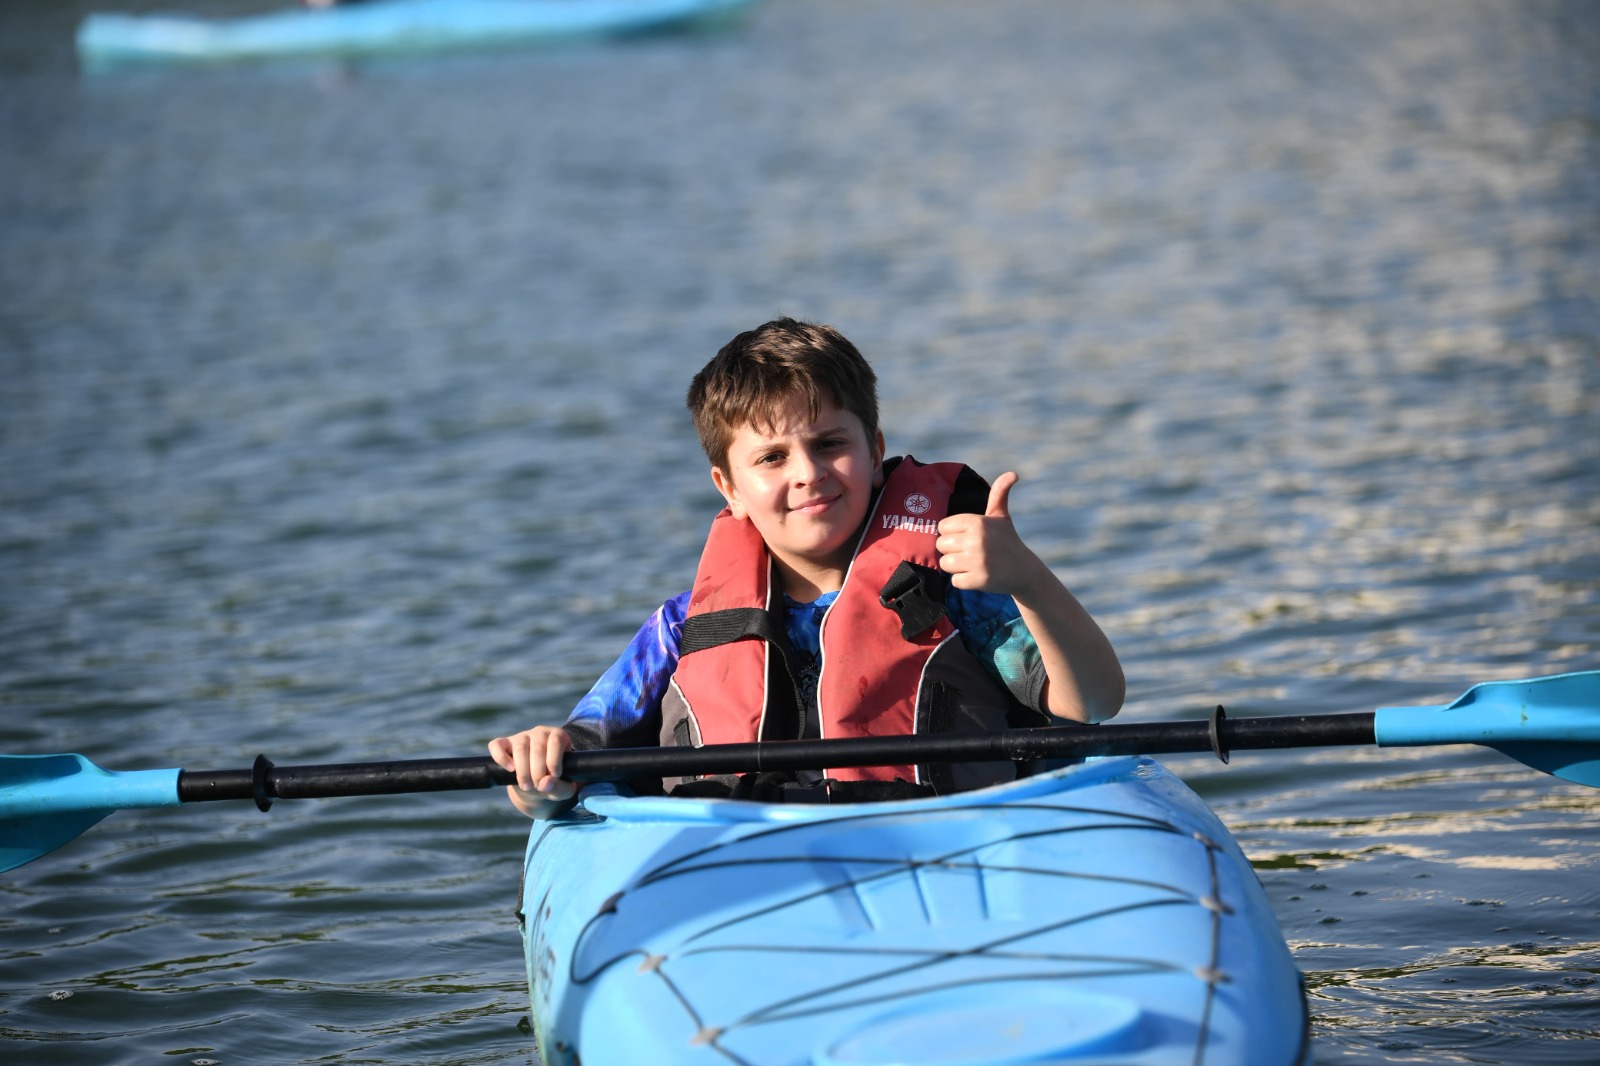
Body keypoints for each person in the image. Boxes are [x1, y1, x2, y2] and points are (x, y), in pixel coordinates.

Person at [488, 318, 1123, 817]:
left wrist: (1028, 580)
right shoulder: (681, 630)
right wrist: (539, 773)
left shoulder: (956, 596)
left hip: (937, 847)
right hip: (742, 870)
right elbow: (571, 763)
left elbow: (1092, 702)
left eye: (830, 443)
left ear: (874, 453)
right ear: (729, 487)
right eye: (772, 457)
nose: (808, 473)